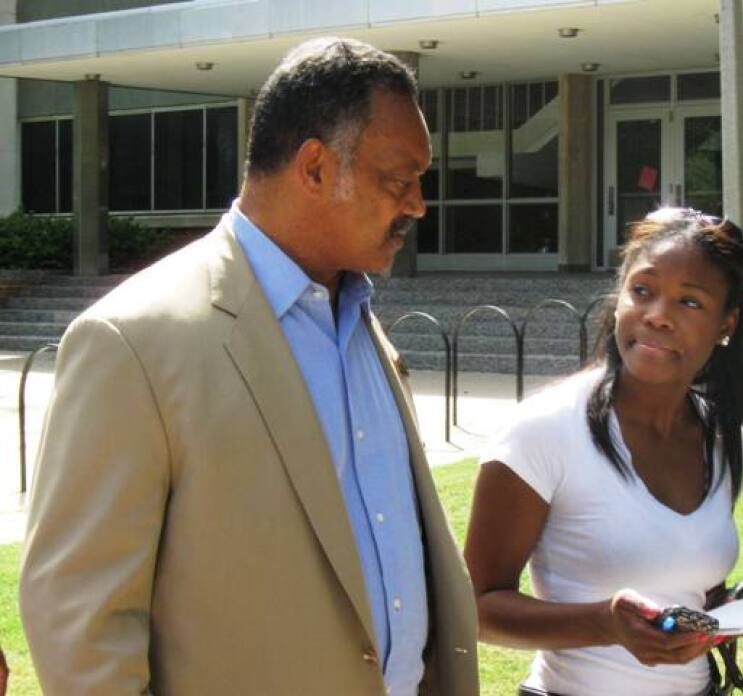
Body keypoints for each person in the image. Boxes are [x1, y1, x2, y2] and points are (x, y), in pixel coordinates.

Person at [19, 37, 478, 696]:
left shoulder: (361, 323)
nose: (417, 206)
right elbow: (81, 627)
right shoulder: (130, 344)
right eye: (399, 180)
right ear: (315, 167)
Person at [464, 207, 743, 696]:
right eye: (642, 290)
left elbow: (685, 592)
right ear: (619, 298)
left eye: (690, 302)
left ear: (727, 323)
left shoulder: (719, 437)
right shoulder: (543, 430)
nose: (658, 315)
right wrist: (605, 624)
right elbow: (475, 608)